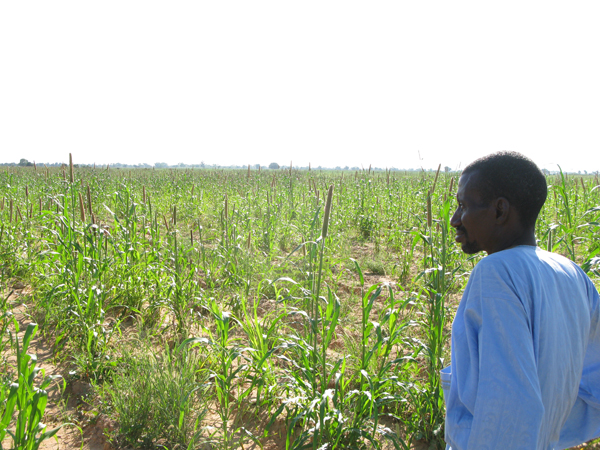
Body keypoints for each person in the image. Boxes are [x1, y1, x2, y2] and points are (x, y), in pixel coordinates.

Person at [442, 151, 600, 450]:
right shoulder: (571, 272)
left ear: (500, 210)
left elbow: (506, 408)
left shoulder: (497, 273)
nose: (455, 220)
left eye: (463, 206)